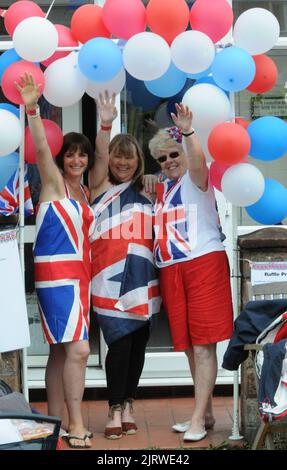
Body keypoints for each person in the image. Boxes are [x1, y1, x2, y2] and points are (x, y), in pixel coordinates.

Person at [16, 72, 95, 449]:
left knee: (61, 351)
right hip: (56, 276)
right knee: (79, 350)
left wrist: (108, 120)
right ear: (62, 158)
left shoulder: (86, 190)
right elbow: (42, 152)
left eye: (82, 153)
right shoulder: (53, 182)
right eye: (71, 153)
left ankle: (54, 423)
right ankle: (76, 424)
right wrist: (32, 108)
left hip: (80, 277)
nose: (76, 159)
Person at [149, 103, 233, 442]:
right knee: (187, 346)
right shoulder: (161, 188)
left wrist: (187, 132)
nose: (169, 161)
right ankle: (207, 412)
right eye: (162, 158)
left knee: (203, 346)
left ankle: (197, 419)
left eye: (173, 154)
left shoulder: (197, 178)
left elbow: (197, 162)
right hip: (171, 269)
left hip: (203, 263)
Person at [89, 92, 160, 440]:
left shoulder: (147, 190)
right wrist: (105, 122)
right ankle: (114, 407)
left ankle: (129, 402)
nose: (122, 162)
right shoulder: (99, 186)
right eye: (118, 155)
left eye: (128, 157)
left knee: (137, 345)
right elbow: (100, 155)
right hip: (107, 279)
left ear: (137, 161)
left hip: (142, 279)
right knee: (117, 345)